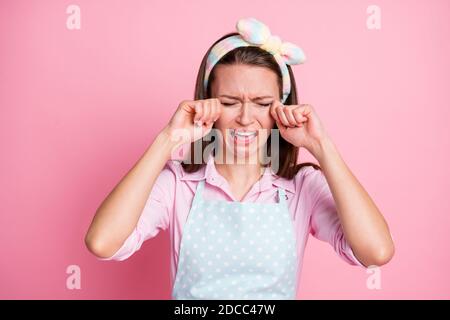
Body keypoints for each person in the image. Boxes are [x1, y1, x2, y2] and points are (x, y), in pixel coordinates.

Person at [85, 17, 395, 300]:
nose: (246, 118)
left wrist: (322, 146)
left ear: (281, 109)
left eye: (262, 103)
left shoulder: (301, 188)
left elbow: (376, 252)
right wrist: (168, 140)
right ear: (208, 104)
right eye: (230, 102)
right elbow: (103, 242)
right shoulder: (178, 184)